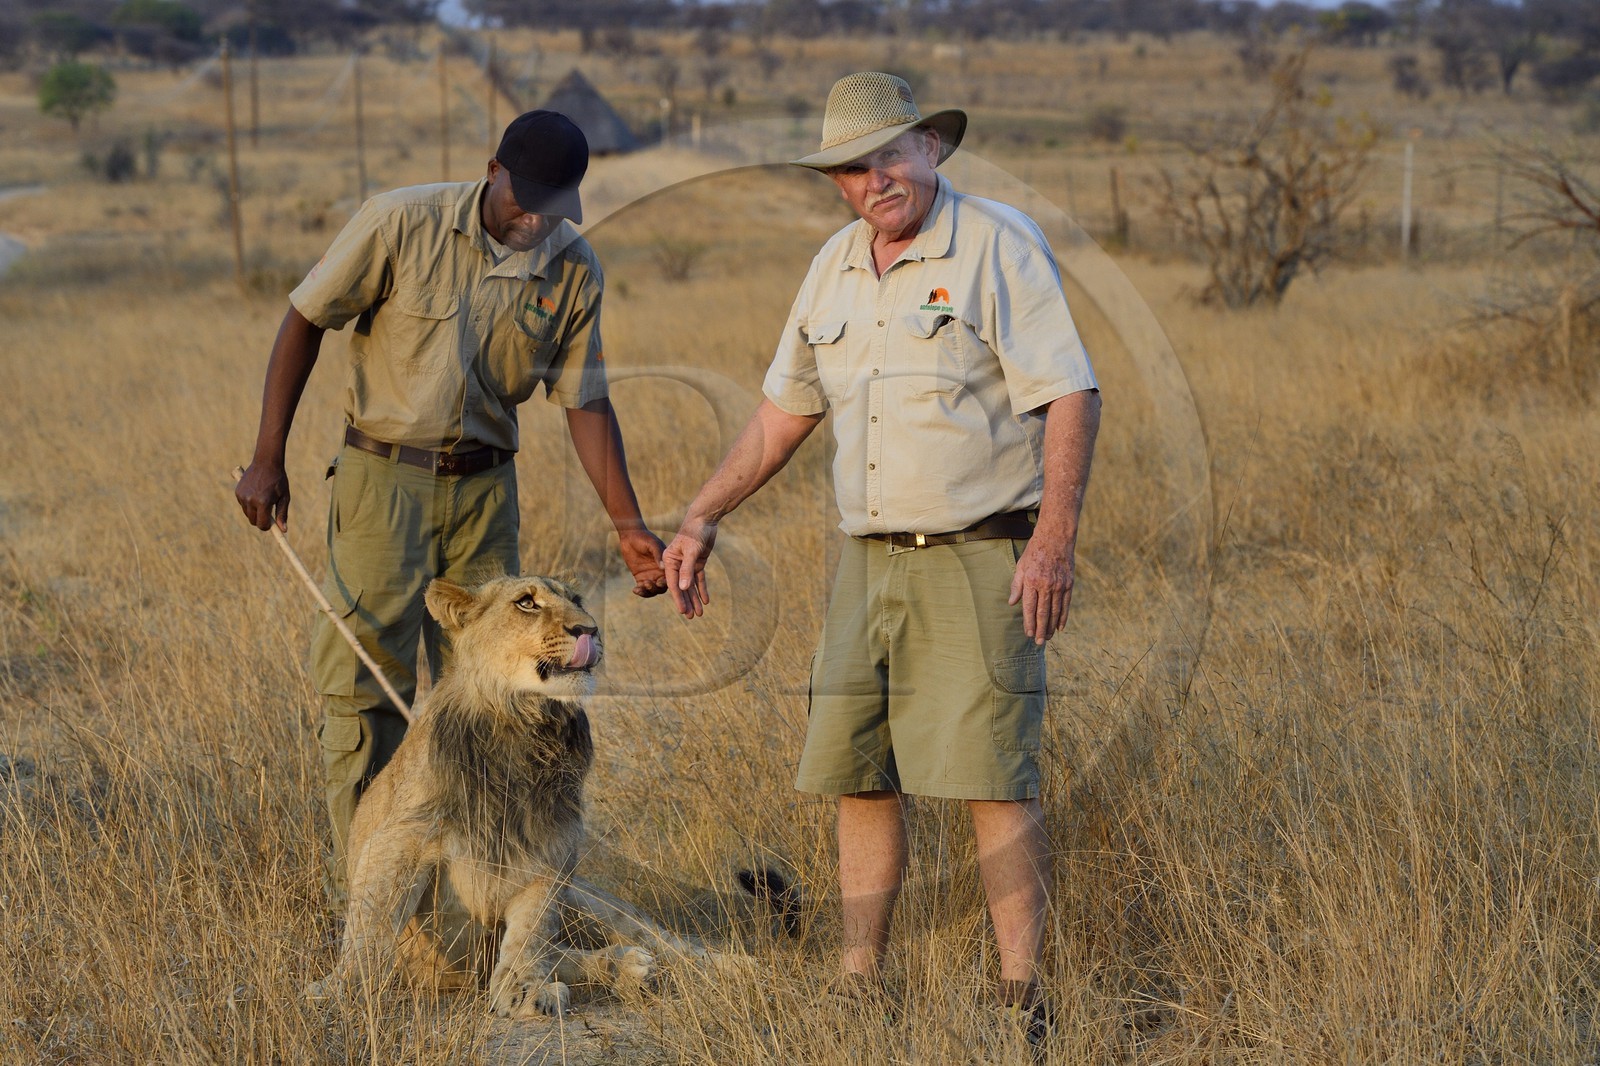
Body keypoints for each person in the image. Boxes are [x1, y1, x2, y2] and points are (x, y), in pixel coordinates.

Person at [663, 72, 1100, 1040]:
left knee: (994, 772)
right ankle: (862, 983)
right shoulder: (831, 268)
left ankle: (1020, 997)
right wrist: (700, 517)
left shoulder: (996, 246)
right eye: (852, 168)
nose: (874, 180)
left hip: (981, 554)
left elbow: (1067, 392)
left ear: (930, 150)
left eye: (889, 155)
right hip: (866, 559)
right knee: (857, 768)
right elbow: (785, 411)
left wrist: (1054, 543)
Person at [236, 110, 668, 903]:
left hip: (484, 487)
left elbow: (586, 402)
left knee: (492, 693)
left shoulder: (573, 267)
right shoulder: (401, 220)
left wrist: (629, 526)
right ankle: (374, 901)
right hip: (381, 481)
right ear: (492, 168)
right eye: (525, 197)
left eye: (556, 204)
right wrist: (268, 457)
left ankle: (479, 901)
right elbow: (304, 319)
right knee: (366, 689)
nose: (536, 219)